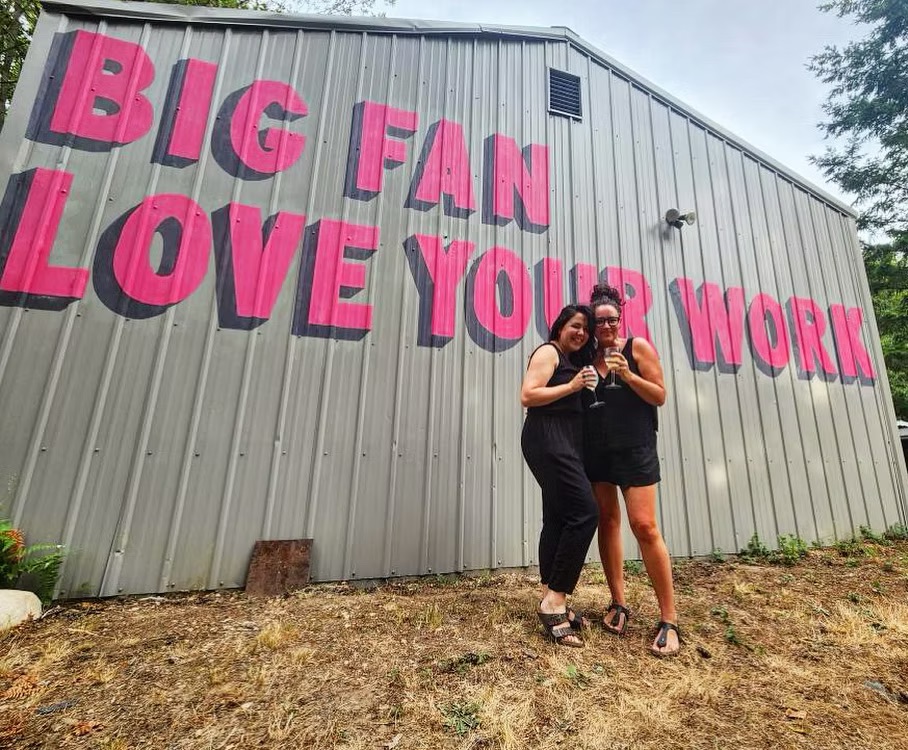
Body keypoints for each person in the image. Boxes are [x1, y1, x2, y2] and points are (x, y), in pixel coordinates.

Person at [584, 283, 680, 657]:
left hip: (636, 449)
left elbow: (659, 395)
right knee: (608, 521)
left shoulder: (637, 348)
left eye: (612, 319)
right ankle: (618, 602)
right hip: (597, 451)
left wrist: (628, 376)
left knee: (644, 526)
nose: (606, 326)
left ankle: (669, 618)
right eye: (599, 320)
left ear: (620, 318)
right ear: (592, 323)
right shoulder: (588, 355)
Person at [520, 305, 600, 648]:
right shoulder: (548, 352)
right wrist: (571, 387)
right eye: (575, 325)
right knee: (585, 513)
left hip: (564, 441)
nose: (581, 333)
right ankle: (555, 599)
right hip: (547, 437)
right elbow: (528, 395)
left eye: (586, 329)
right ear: (560, 326)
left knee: (557, 517)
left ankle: (549, 597)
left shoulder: (571, 361)